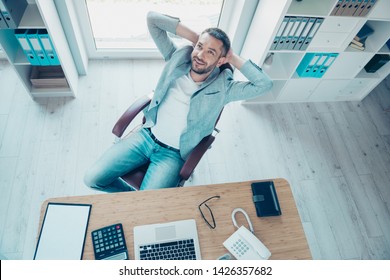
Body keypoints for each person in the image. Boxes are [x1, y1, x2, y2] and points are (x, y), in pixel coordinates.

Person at [84, 11, 273, 192]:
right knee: (92, 179)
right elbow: (153, 19)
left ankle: (142, 203)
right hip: (145, 136)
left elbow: (264, 84)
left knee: (148, 206)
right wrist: (196, 38)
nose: (200, 55)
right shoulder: (177, 59)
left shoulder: (225, 88)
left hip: (172, 155)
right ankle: (134, 199)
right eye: (199, 47)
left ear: (221, 60)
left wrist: (232, 57)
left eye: (211, 52)